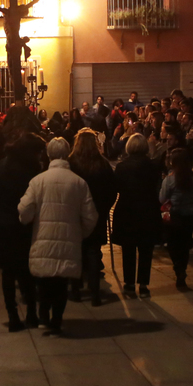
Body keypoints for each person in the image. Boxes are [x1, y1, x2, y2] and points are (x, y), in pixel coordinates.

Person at [18, 138, 97, 336]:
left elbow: (24, 210)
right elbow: (90, 216)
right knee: (62, 283)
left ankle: (43, 316)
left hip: (43, 238)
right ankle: (57, 319)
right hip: (69, 240)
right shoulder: (79, 183)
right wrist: (79, 234)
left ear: (49, 154)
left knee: (44, 281)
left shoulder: (38, 181)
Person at [0, 134, 45, 331]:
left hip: (1, 227)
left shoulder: (2, 165)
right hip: (22, 227)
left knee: (8, 274)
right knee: (27, 272)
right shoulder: (30, 170)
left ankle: (13, 316)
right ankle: (33, 314)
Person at [67, 129, 117, 305]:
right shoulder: (102, 164)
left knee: (76, 251)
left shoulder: (71, 163)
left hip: (76, 213)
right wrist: (104, 208)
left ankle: (75, 289)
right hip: (96, 212)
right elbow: (112, 190)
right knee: (94, 251)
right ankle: (95, 292)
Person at [112, 134, 162, 298]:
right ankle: (143, 284)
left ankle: (129, 284)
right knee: (146, 248)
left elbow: (117, 188)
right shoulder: (153, 166)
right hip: (148, 209)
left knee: (129, 248)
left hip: (127, 208)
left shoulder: (122, 167)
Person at [159, 148, 193, 290]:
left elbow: (162, 198)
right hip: (189, 215)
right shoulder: (192, 178)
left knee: (174, 245)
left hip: (174, 216)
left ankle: (178, 269)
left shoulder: (170, 179)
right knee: (184, 246)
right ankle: (182, 269)